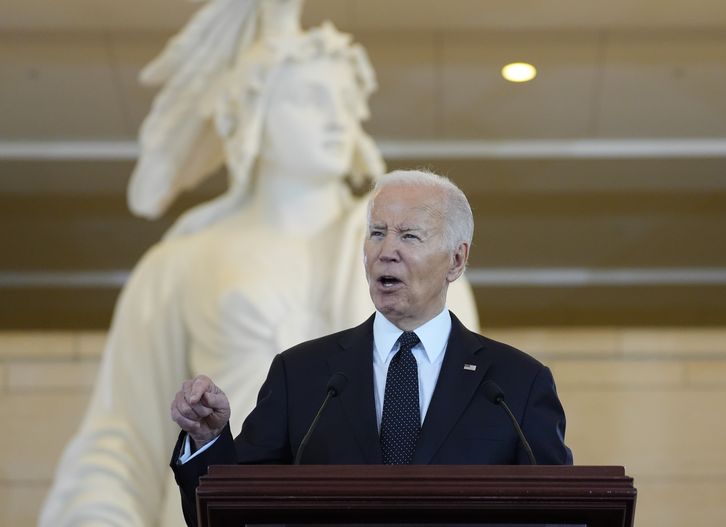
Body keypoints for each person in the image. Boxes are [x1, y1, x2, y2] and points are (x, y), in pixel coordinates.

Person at [40, 2, 479, 526]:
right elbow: (120, 439)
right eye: (311, 98)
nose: (339, 116)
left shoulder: (419, 260)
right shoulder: (182, 263)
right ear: (252, 111)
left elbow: (462, 420)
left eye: (347, 99)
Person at [170, 170, 573, 527]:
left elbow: (558, 514)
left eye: (409, 236)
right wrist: (208, 441)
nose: (386, 251)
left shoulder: (516, 385)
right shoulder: (302, 373)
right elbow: (235, 508)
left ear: (455, 260)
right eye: (377, 233)